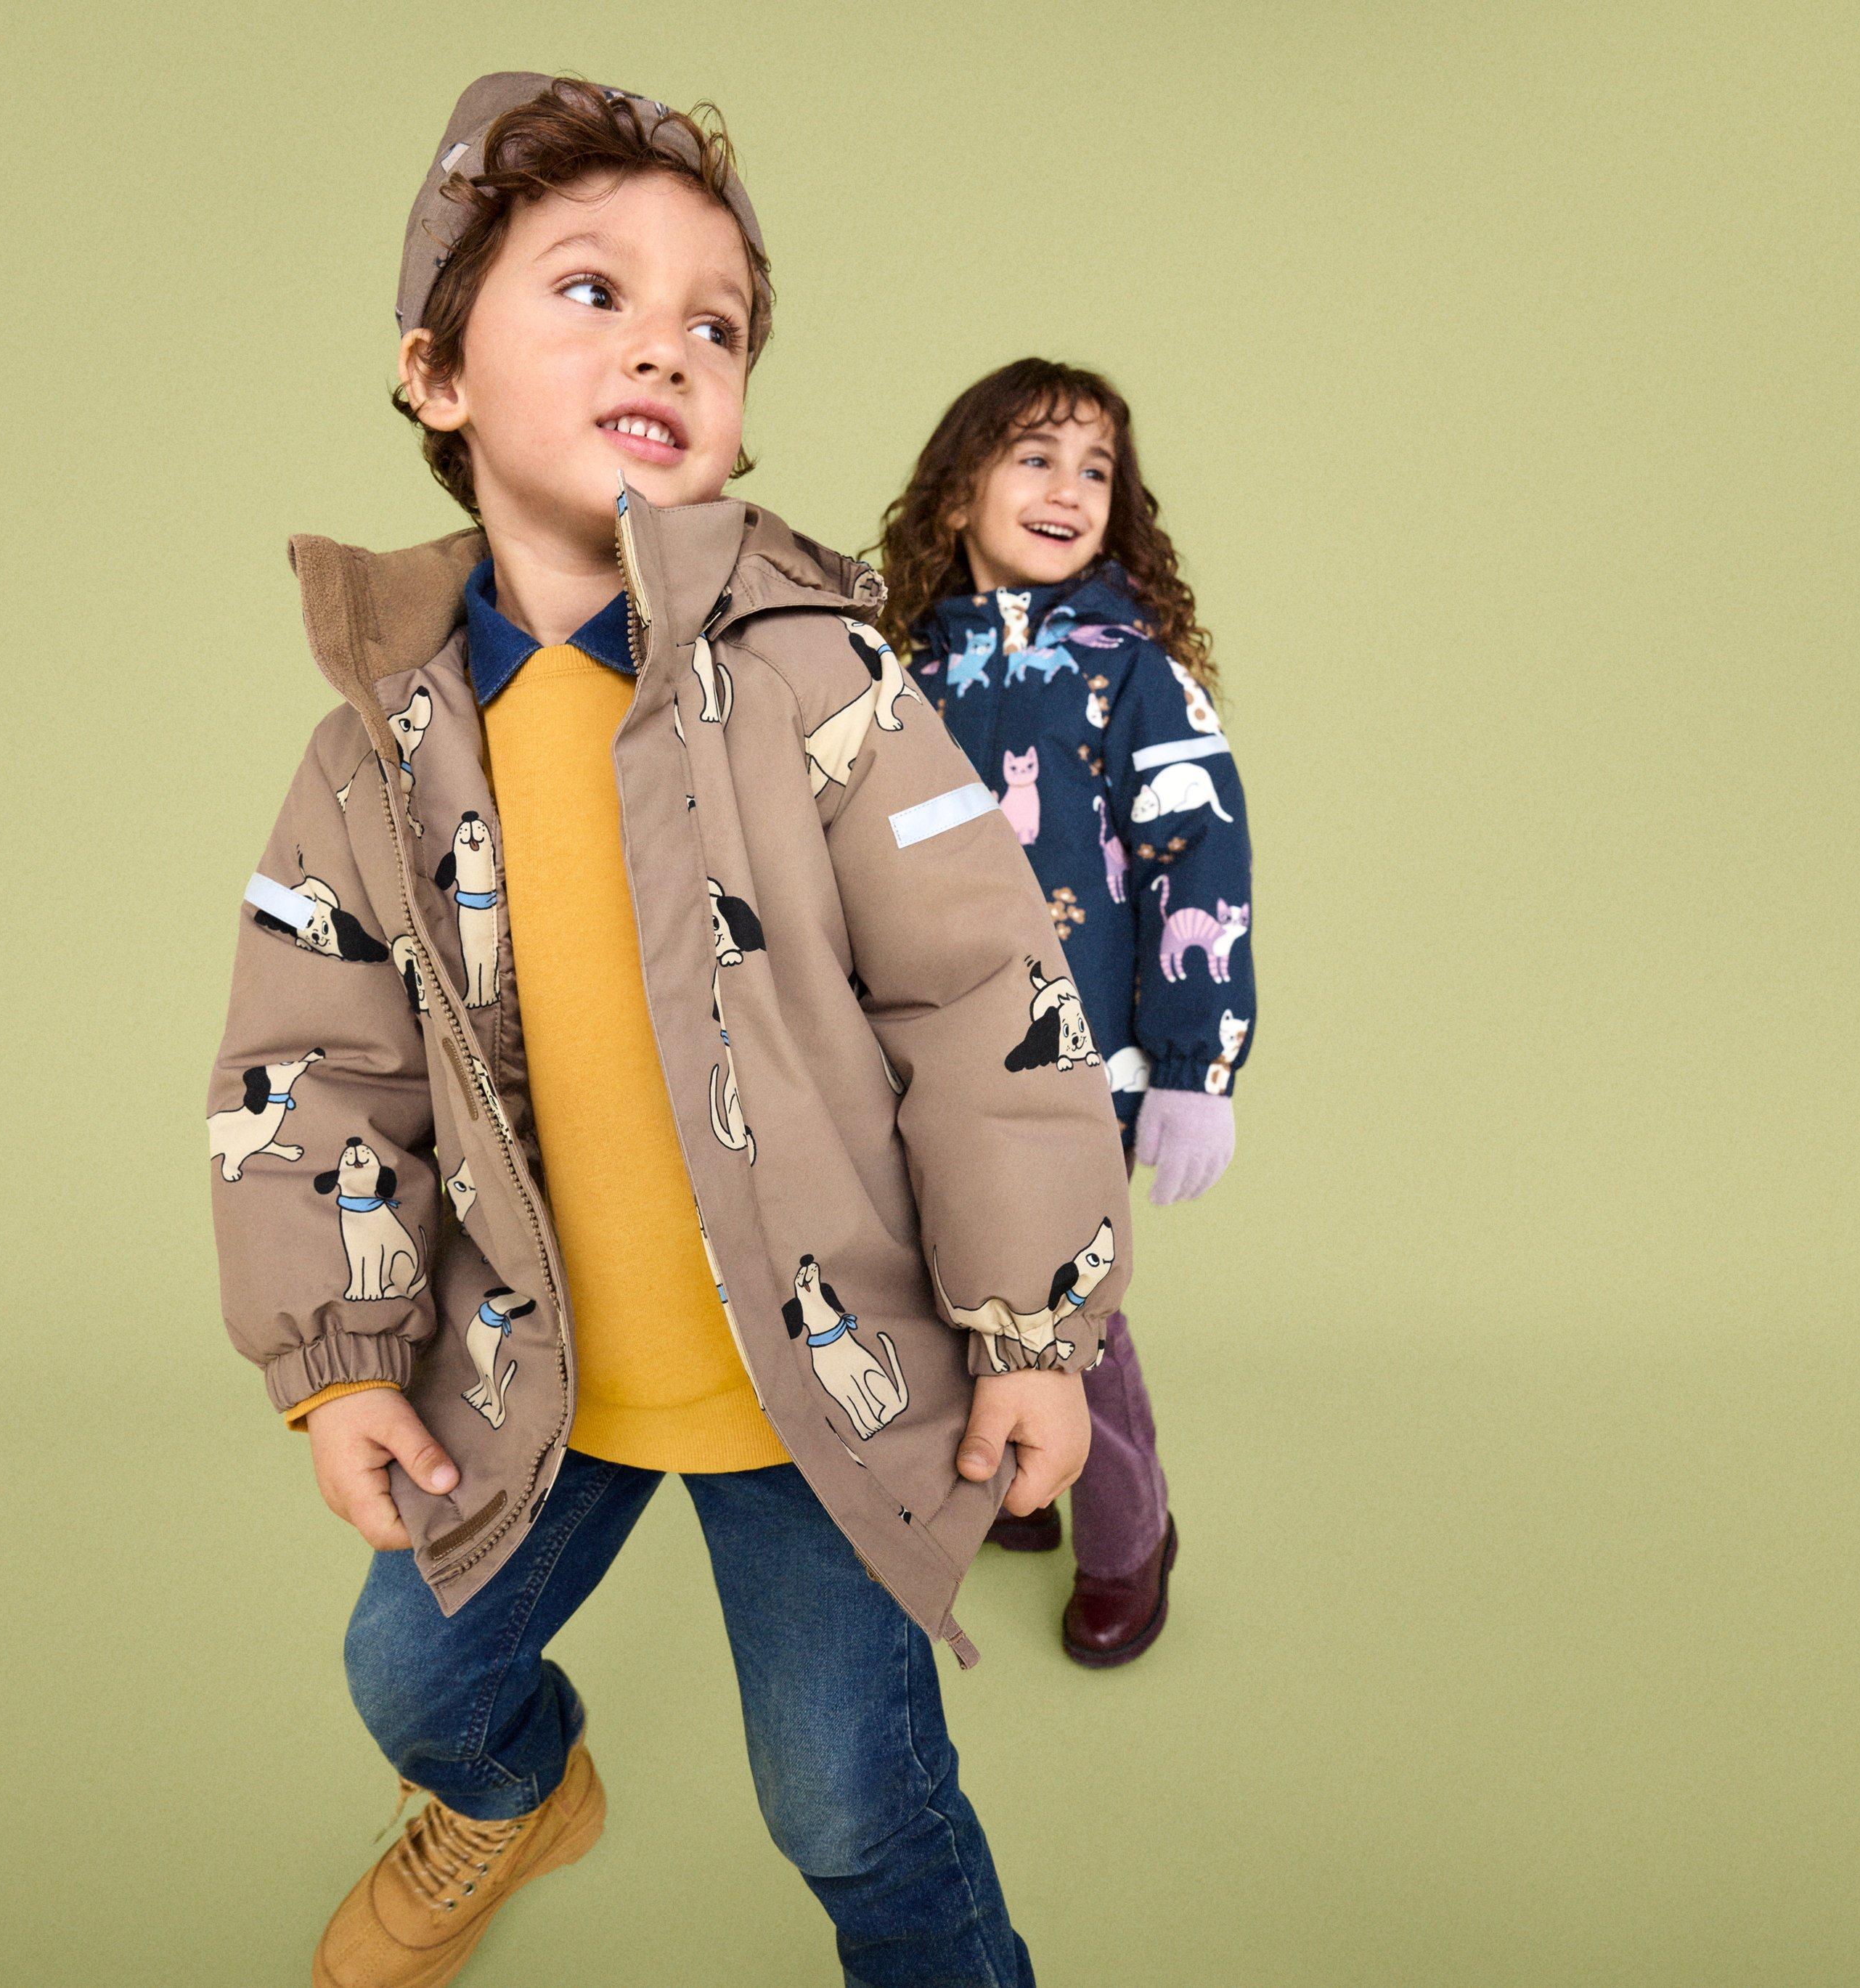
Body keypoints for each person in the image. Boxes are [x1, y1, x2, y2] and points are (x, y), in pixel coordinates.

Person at [205, 75, 1134, 1987]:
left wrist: (1032, 1329)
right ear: (436, 374)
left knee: (849, 1804)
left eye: (712, 322)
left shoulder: (813, 676)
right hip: (533, 1366)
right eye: (589, 292)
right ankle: (516, 1789)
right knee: (406, 1666)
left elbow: (982, 992)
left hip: (826, 1389)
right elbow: (316, 1062)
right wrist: (344, 1353)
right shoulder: (371, 750)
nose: (663, 342)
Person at [873, 357, 1257, 1667]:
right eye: (1035, 457)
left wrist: (1199, 1069)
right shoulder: (900, 668)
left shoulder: (1130, 671)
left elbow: (1199, 858)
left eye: (1097, 470)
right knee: (950, 1281)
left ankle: (1127, 1533)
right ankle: (1020, 1481)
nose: (1069, 489)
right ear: (960, 487)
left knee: (1068, 1310)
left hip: (1078, 1065)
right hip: (924, 1061)